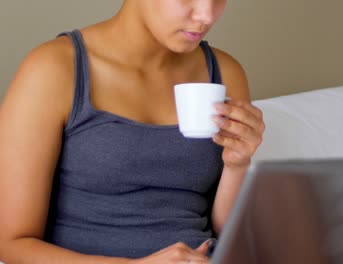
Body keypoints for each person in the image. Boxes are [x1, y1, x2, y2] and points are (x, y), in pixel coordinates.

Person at [0, 0, 265, 263]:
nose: (207, 15)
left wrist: (237, 165)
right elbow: (10, 244)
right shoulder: (53, 68)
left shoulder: (225, 74)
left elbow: (230, 233)